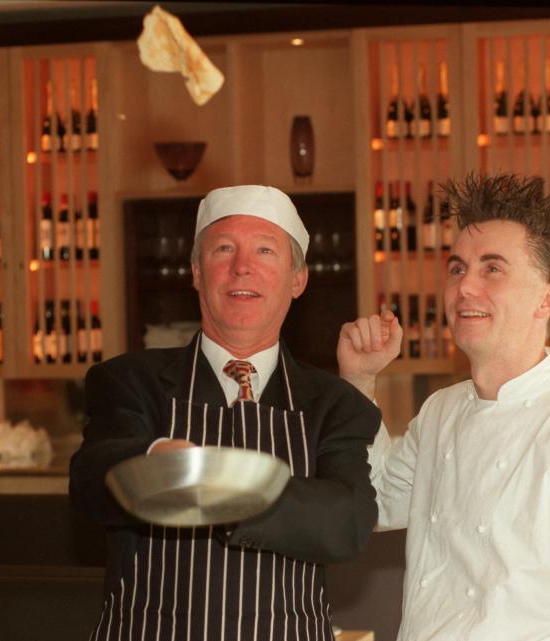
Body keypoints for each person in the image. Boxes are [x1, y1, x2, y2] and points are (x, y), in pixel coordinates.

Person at [337, 173, 550, 641]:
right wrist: (361, 379)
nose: (465, 287)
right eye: (457, 269)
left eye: (492, 269)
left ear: (547, 299)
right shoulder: (440, 413)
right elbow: (374, 499)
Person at [70, 185, 380, 641]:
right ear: (197, 272)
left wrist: (219, 491)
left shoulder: (334, 403)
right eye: (223, 249)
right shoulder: (132, 381)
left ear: (297, 279)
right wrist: (155, 461)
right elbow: (89, 484)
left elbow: (347, 523)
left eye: (264, 250)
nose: (242, 266)